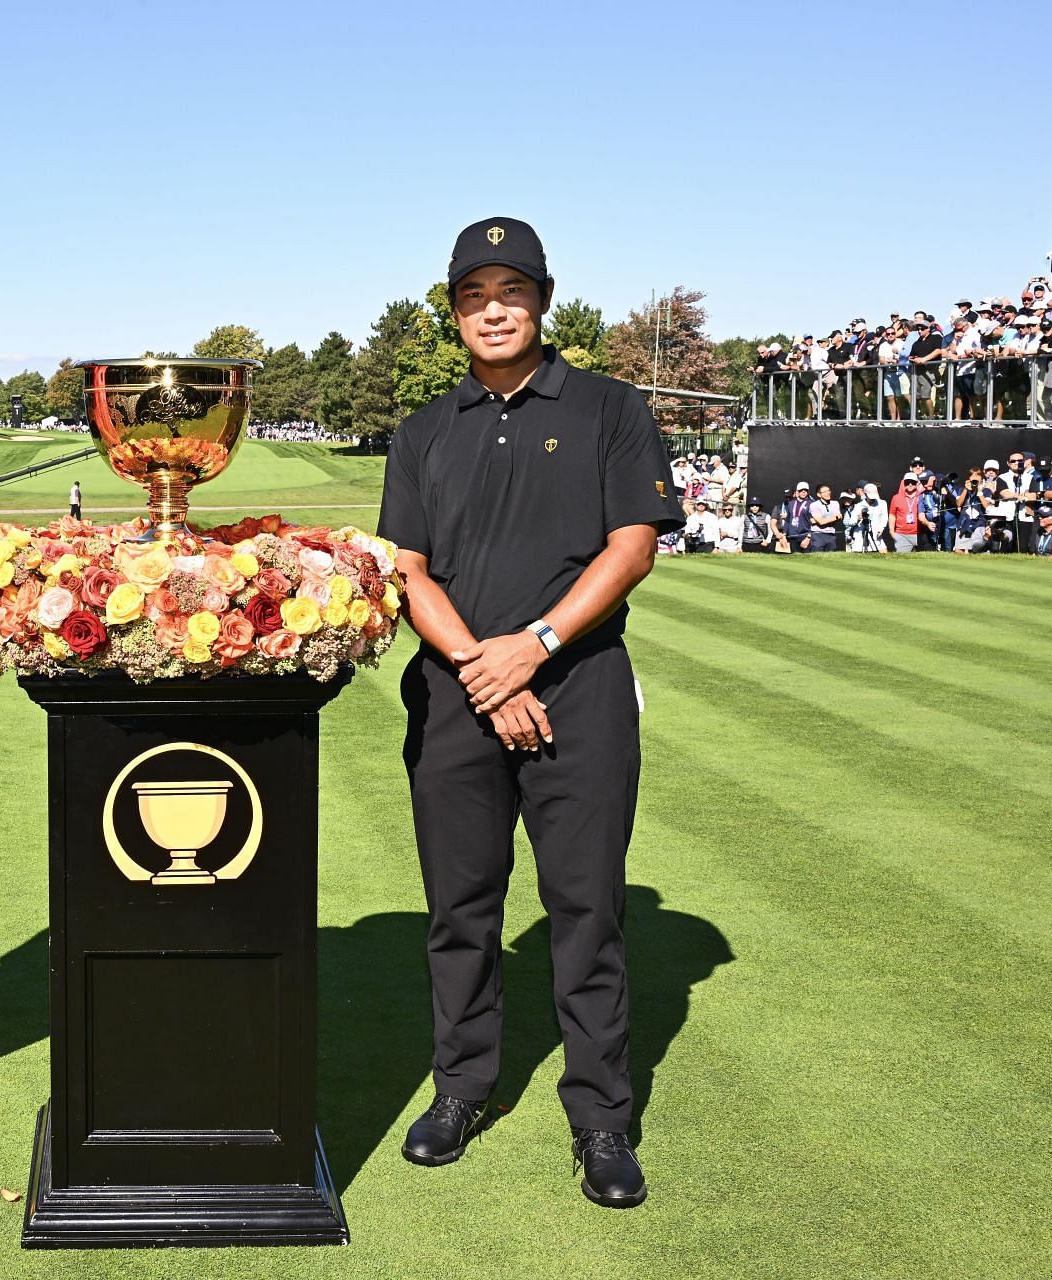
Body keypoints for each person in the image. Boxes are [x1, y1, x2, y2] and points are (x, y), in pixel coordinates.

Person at [378, 217, 680, 1210]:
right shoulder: (425, 430)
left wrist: (533, 648)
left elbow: (631, 545)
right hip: (459, 687)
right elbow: (407, 571)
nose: (493, 310)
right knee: (460, 910)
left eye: (510, 292)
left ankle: (601, 1115)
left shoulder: (608, 406)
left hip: (580, 683)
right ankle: (461, 1088)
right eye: (474, 296)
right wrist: (481, 666)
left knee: (587, 911)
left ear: (541, 300)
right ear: (455, 310)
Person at [888, 475, 922, 553]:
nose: (910, 484)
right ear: (903, 483)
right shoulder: (896, 497)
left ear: (917, 483)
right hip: (902, 535)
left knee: (924, 562)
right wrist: (891, 531)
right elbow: (892, 515)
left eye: (913, 482)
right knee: (902, 561)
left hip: (920, 534)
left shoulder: (922, 496)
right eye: (907, 482)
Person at [808, 484, 841, 552]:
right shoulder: (814, 505)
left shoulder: (835, 503)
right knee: (817, 558)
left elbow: (839, 517)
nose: (828, 493)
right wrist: (835, 517)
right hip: (818, 535)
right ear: (819, 495)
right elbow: (821, 522)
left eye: (828, 490)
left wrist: (818, 520)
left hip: (831, 534)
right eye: (825, 492)